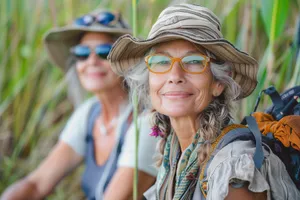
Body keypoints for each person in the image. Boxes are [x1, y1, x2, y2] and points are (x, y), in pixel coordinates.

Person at [108, 3, 300, 200]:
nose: (175, 75)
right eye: (161, 62)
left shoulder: (233, 165)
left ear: (218, 82)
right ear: (149, 82)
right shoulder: (174, 154)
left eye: (193, 61)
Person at [1, 9, 158, 200]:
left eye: (104, 52)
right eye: (82, 53)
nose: (91, 61)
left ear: (128, 61)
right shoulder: (90, 112)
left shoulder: (146, 123)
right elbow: (37, 184)